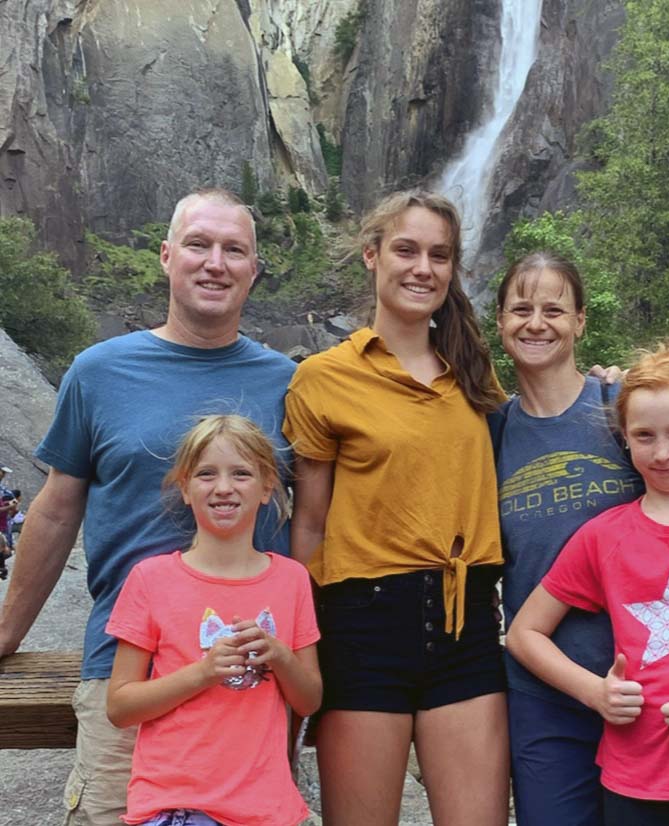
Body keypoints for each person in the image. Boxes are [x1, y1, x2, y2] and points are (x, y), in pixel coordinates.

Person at [0, 189, 296, 826]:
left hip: (252, 678)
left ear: (253, 269)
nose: (215, 262)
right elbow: (55, 511)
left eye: (234, 250)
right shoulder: (98, 371)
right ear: (167, 256)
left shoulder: (291, 383)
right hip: (126, 672)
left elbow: (321, 517)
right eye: (198, 244)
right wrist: (7, 631)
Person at [491, 251, 669, 826]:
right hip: (550, 692)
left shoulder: (618, 409)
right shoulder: (490, 431)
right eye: (521, 308)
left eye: (554, 309)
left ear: (581, 321)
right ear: (499, 321)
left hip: (660, 695)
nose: (536, 322)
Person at [283, 190, 510, 826]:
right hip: (361, 624)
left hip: (467, 623)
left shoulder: (472, 370)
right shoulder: (324, 378)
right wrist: (307, 642)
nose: (423, 268)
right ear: (371, 256)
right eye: (406, 250)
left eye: (440, 255)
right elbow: (309, 521)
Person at [106, 414, 321, 826]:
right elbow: (120, 706)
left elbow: (309, 699)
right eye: (207, 474)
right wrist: (203, 673)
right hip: (175, 805)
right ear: (185, 488)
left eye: (241, 473)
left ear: (267, 487)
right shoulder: (150, 578)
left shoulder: (292, 579)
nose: (223, 487)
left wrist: (279, 655)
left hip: (268, 809)